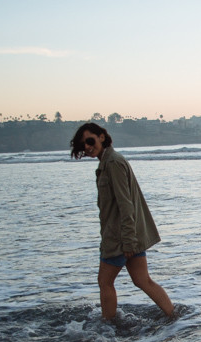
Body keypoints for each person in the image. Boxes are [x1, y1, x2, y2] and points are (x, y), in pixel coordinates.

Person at [71, 122, 174, 320]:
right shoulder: (109, 161)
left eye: (90, 141)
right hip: (128, 234)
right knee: (142, 280)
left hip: (121, 236)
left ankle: (108, 327)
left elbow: (126, 205)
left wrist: (128, 240)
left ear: (102, 136)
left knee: (105, 282)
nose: (87, 147)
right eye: (83, 144)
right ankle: (174, 317)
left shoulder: (113, 163)